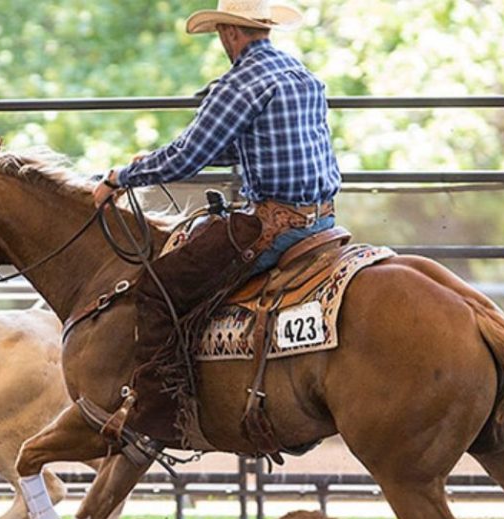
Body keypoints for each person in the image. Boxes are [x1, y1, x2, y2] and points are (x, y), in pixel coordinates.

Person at [90, 0, 341, 443]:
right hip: (322, 222)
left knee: (158, 287)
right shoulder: (302, 76)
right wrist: (152, 161)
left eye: (222, 34)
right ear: (263, 27)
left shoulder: (240, 82)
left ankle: (157, 415)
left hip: (270, 227)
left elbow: (190, 154)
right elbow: (246, 147)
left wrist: (121, 177)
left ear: (229, 32)